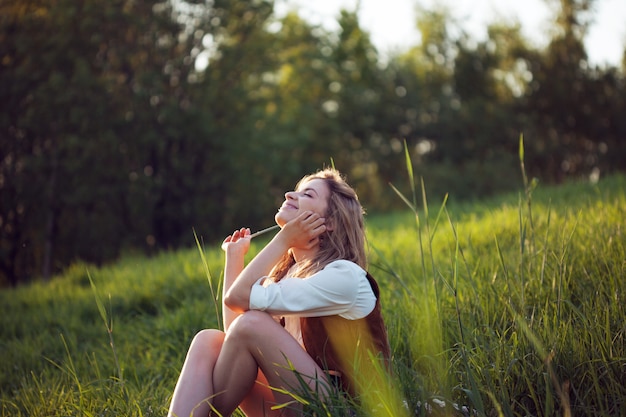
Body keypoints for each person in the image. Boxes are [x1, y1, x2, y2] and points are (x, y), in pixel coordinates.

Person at [167, 168, 391, 417]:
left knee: (252, 323)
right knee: (208, 340)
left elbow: (240, 306)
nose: (289, 195)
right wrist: (234, 258)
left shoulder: (343, 275)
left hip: (344, 410)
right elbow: (236, 335)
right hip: (298, 402)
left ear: (330, 221)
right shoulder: (287, 276)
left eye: (307, 194)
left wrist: (283, 240)